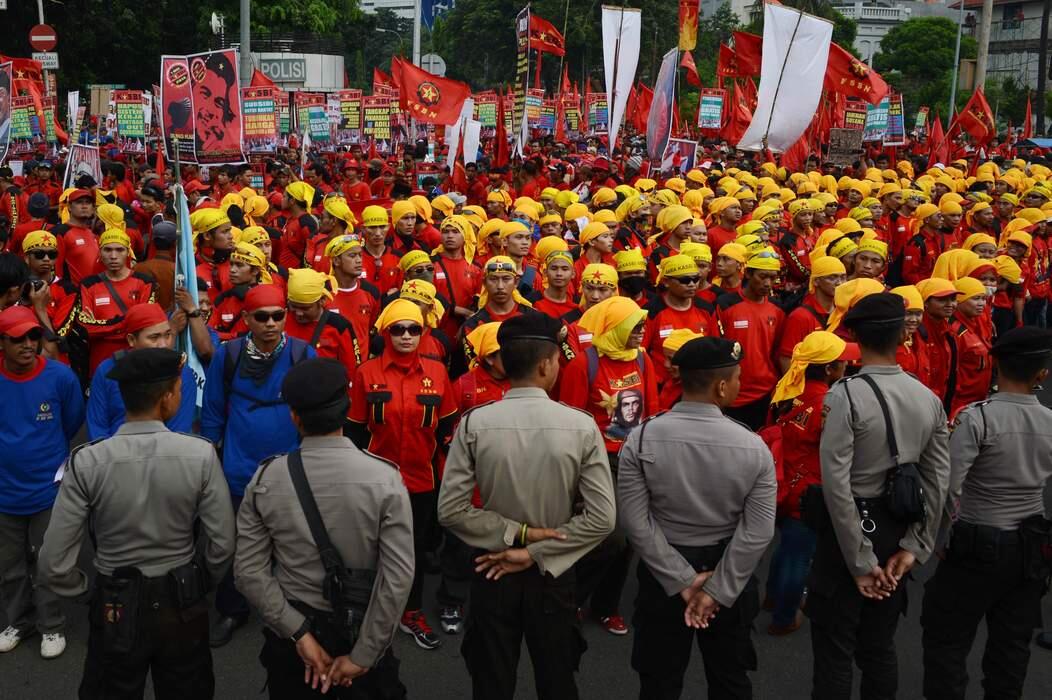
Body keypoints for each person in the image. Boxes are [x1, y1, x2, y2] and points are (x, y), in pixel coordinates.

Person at [437, 313, 616, 700]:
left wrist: (515, 539)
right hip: (554, 573)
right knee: (557, 678)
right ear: (545, 364)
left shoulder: (475, 423)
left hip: (491, 567)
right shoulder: (582, 426)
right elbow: (602, 519)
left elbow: (451, 510)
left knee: (491, 679)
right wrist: (535, 551)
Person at [38, 347, 235, 698]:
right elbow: (222, 543)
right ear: (168, 397)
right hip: (181, 597)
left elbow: (53, 562)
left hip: (115, 596)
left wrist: (89, 591)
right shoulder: (199, 454)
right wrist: (202, 581)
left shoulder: (88, 460)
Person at [235, 358, 413, 699]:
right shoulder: (385, 479)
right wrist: (364, 655)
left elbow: (248, 572)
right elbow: (398, 578)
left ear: (294, 416)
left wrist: (298, 634)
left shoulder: (267, 478)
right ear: (347, 410)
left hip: (294, 636)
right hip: (360, 628)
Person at [618, 335, 777, 699]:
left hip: (663, 574)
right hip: (728, 571)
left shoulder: (641, 439)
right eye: (737, 377)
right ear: (722, 386)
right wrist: (717, 588)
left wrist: (683, 581)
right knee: (730, 679)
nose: (739, 384)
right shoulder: (753, 446)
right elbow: (757, 531)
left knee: (659, 680)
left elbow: (636, 523)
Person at [809, 292, 950, 699]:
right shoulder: (927, 397)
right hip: (899, 527)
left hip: (852, 529)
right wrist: (916, 546)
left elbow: (836, 485)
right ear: (901, 338)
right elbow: (938, 479)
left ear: (855, 337)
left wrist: (859, 561)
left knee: (836, 650)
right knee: (879, 648)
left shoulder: (845, 395)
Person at [920, 326, 1052, 700]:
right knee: (1011, 648)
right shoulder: (1049, 422)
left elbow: (949, 485)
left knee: (948, 641)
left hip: (977, 540)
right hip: (1030, 547)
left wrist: (938, 537)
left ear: (995, 366)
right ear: (1042, 374)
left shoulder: (977, 418)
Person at [201, 284, 317, 647]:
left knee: (292, 539)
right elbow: (215, 408)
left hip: (289, 464)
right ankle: (232, 609)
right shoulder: (229, 354)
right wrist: (210, 454)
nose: (271, 323)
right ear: (247, 319)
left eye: (278, 316)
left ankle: (291, 607)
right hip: (239, 462)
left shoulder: (302, 353)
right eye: (262, 317)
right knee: (236, 541)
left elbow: (315, 411)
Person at [348, 300, 457, 650]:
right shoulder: (367, 373)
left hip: (422, 481)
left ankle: (411, 612)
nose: (406, 335)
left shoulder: (437, 373)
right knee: (370, 548)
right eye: (398, 329)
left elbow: (447, 430)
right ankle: (368, 609)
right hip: (375, 482)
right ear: (386, 333)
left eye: (414, 329)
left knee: (415, 550)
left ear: (423, 332)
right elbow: (354, 432)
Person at [559, 296, 658, 635]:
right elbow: (569, 420)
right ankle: (570, 597)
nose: (643, 330)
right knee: (610, 535)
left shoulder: (643, 361)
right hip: (597, 461)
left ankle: (606, 607)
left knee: (630, 538)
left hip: (633, 459)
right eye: (635, 324)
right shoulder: (582, 365)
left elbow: (652, 414)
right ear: (614, 328)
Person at [0, 306, 83, 659]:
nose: (28, 344)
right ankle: (17, 621)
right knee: (9, 565)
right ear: (2, 342)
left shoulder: (61, 377)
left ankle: (52, 625)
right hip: (4, 492)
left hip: (48, 489)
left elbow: (72, 422)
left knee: (50, 562)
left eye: (34, 336)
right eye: (18, 339)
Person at [765, 332, 857, 636]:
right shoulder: (828, 404)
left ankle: (772, 595)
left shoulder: (791, 391)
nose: (848, 364)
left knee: (787, 547)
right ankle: (784, 617)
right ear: (830, 369)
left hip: (783, 484)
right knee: (799, 558)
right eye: (843, 362)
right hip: (810, 491)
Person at [87, 303, 197, 439]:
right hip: (111, 456)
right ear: (132, 340)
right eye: (154, 337)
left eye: (168, 335)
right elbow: (97, 428)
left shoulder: (182, 373)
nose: (163, 344)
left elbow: (178, 432)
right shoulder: (108, 370)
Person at [716, 249, 786, 430]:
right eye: (762, 277)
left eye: (772, 277)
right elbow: (716, 346)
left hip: (765, 393)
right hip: (732, 395)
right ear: (748, 273)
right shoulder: (725, 305)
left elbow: (778, 351)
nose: (768, 283)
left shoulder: (777, 309)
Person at [78, 229, 158, 375]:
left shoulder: (144, 282)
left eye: (119, 250)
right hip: (99, 359)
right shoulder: (88, 285)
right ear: (100, 252)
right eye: (107, 250)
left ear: (128, 252)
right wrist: (125, 323)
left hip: (134, 358)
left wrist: (103, 326)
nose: (113, 256)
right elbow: (85, 328)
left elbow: (144, 324)